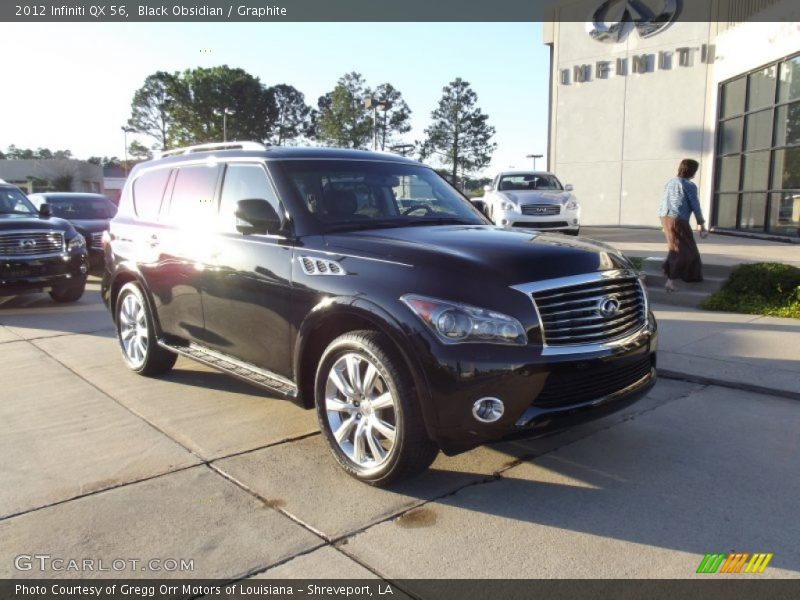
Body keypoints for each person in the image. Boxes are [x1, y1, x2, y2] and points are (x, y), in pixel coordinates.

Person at [658, 159, 708, 292]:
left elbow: (664, 201)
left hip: (665, 217)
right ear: (692, 170)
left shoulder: (670, 182)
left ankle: (673, 273)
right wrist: (701, 224)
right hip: (678, 219)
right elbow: (695, 205)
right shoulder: (689, 185)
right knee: (686, 250)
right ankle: (670, 280)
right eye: (695, 170)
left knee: (675, 247)